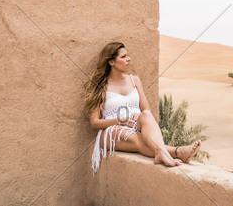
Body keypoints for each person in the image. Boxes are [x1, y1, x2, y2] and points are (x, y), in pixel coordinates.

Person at [85, 42, 201, 174]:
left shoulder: (135, 80)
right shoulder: (99, 86)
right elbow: (94, 123)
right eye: (123, 57)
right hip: (111, 130)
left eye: (127, 55)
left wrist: (138, 115)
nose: (129, 59)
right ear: (111, 62)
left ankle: (163, 152)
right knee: (136, 139)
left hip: (135, 124)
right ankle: (177, 151)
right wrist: (119, 120)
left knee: (145, 115)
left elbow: (146, 110)